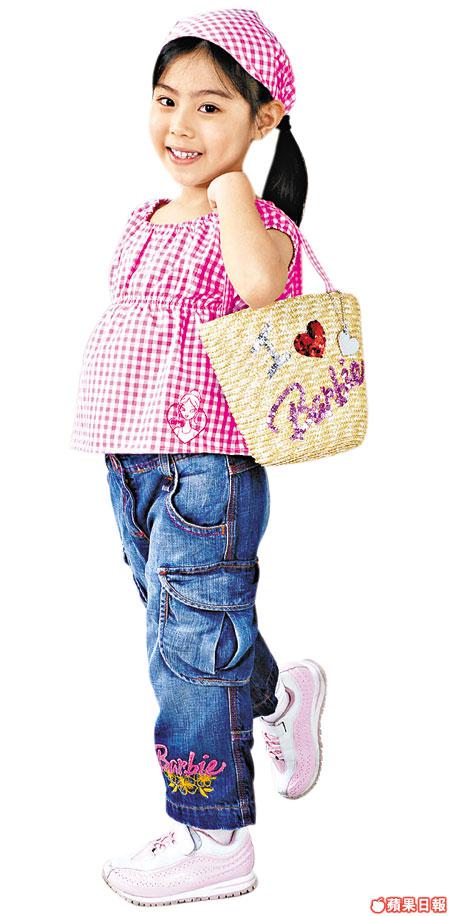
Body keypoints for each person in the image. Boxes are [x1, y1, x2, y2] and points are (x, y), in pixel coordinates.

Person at [70, 7, 327, 906]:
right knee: (183, 626)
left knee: (186, 646)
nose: (180, 124)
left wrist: (234, 190)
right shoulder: (144, 216)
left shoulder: (255, 220)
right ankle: (276, 696)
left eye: (211, 106)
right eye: (166, 99)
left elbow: (259, 287)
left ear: (263, 119)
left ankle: (215, 834)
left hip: (206, 464)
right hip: (132, 461)